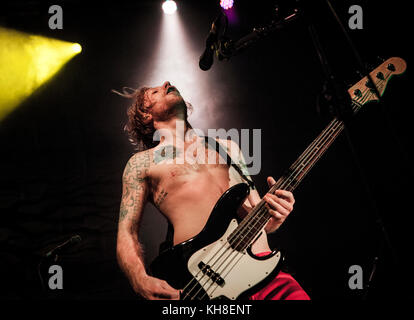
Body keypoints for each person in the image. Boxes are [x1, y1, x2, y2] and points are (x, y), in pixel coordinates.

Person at [115, 81, 310, 300]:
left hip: (265, 272)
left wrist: (276, 215)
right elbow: (127, 232)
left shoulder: (228, 147)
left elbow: (259, 214)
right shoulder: (142, 163)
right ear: (145, 115)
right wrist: (139, 279)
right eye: (155, 91)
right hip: (208, 286)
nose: (167, 83)